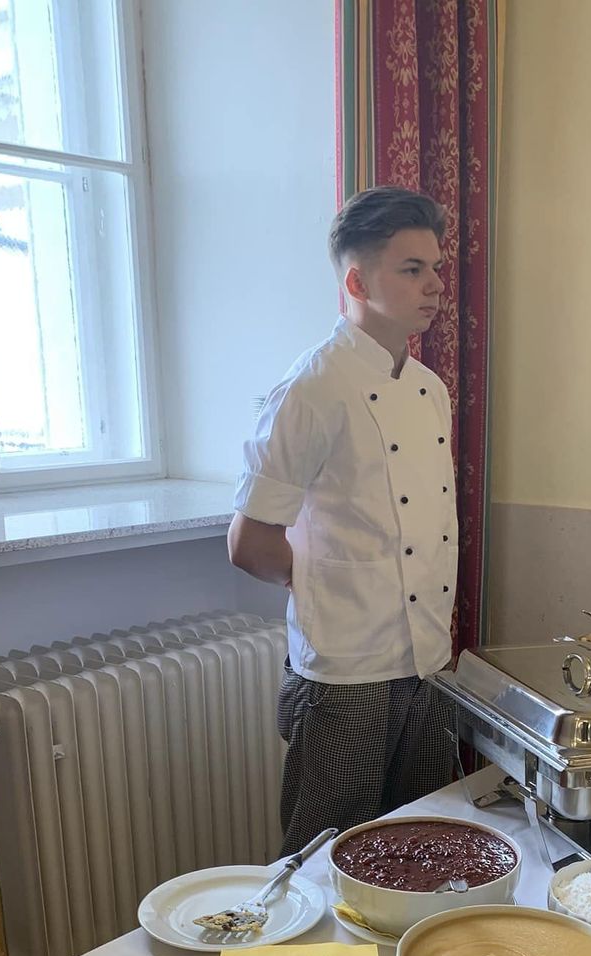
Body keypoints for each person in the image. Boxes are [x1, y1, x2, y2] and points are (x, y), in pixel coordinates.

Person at [228, 185, 458, 854]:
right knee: (324, 854)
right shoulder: (312, 388)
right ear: (357, 281)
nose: (434, 285)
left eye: (435, 267)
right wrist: (329, 585)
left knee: (419, 843)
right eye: (411, 269)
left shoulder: (430, 389)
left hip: (425, 659)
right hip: (345, 671)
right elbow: (249, 543)